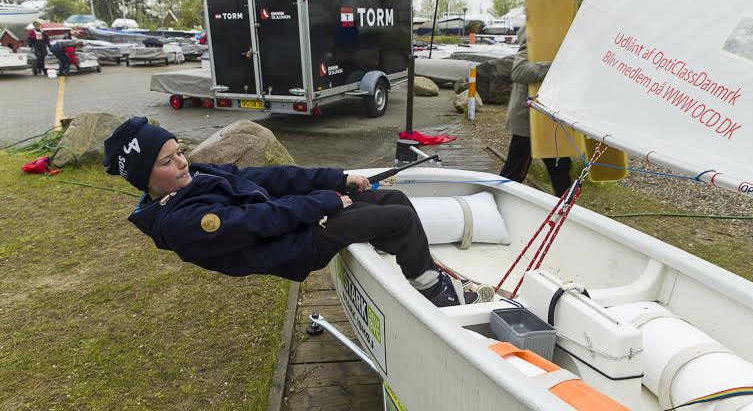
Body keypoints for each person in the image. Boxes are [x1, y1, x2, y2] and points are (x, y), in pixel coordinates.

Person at [102, 117, 478, 307]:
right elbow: (259, 221)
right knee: (400, 217)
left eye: (179, 151)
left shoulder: (197, 175)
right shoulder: (182, 222)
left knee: (393, 201)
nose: (183, 162)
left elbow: (274, 177)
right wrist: (328, 201)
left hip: (299, 222)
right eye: (168, 161)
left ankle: (412, 263)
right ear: (145, 177)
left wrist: (340, 179)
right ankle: (434, 291)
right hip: (296, 245)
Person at [500, 27, 573, 197]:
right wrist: (557, 66)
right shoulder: (535, 34)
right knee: (514, 173)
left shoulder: (563, 34)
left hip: (552, 118)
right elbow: (519, 71)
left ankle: (567, 212)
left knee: (561, 171)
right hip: (529, 120)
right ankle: (497, 204)